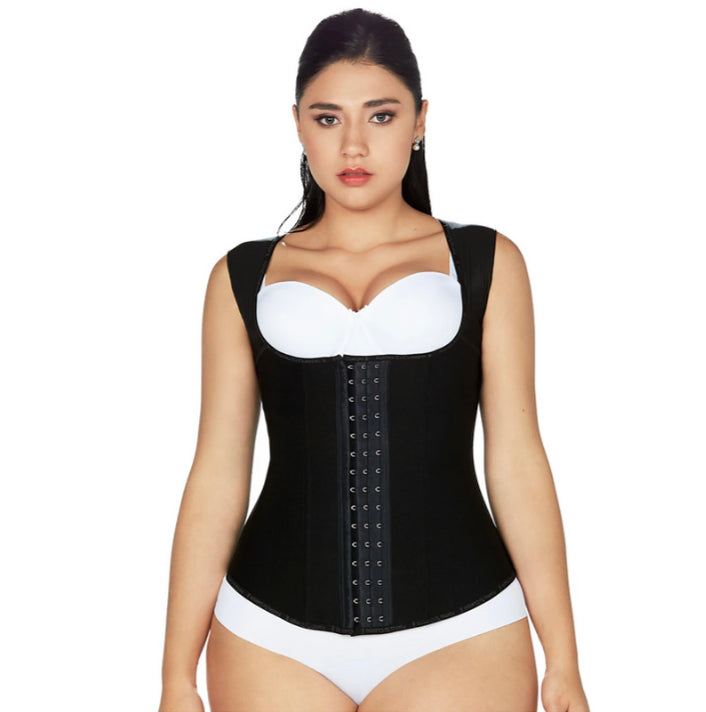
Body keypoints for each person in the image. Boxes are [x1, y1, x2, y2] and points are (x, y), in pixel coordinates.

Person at [158, 8, 590, 712]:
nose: (353, 144)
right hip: (267, 633)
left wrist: (563, 659)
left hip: (464, 630)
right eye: (328, 118)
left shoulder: (486, 263)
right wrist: (175, 674)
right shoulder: (240, 277)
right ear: (298, 125)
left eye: (381, 116)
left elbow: (516, 460)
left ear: (420, 121)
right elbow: (217, 473)